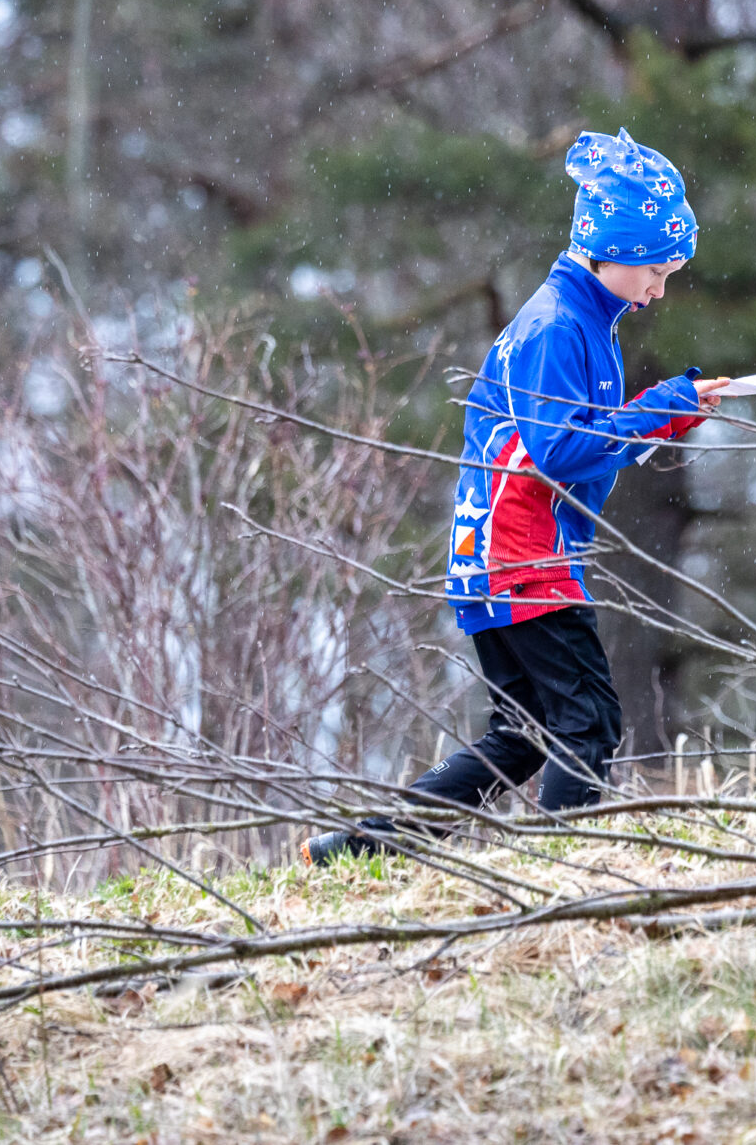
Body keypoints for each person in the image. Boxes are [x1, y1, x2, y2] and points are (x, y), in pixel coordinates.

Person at [300, 128, 728, 865]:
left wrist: (667, 414)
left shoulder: (586, 318)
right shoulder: (557, 326)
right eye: (656, 270)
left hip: (491, 554)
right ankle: (561, 876)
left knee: (523, 735)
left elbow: (579, 452)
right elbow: (559, 452)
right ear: (612, 251)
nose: (660, 289)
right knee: (588, 724)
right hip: (522, 554)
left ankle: (358, 849)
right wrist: (659, 407)